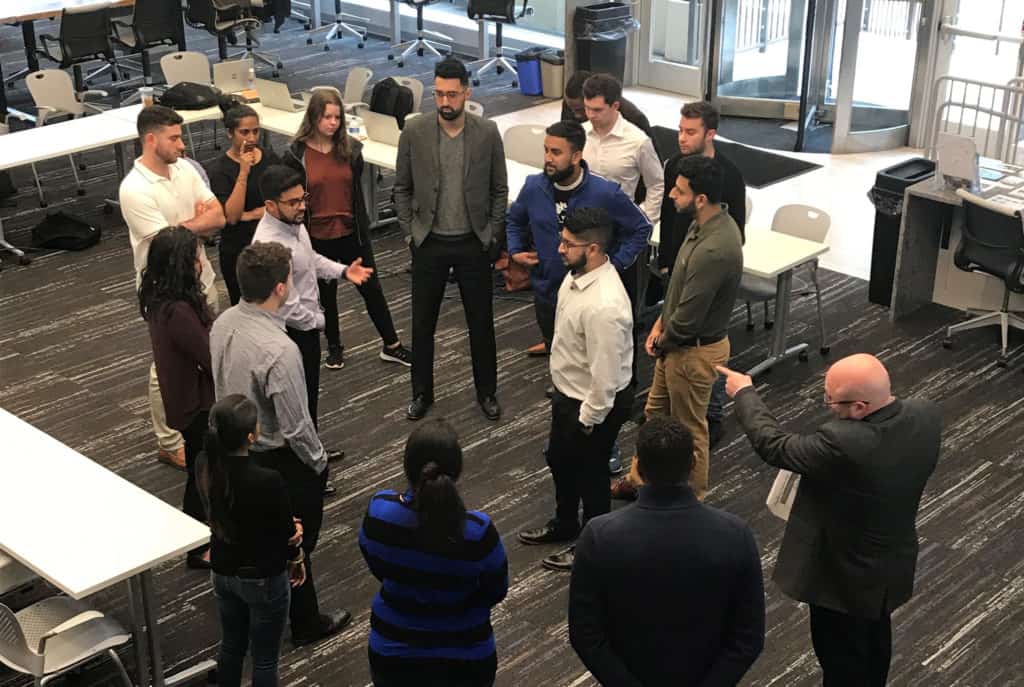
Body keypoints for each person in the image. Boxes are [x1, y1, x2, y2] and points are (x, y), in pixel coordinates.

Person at [718, 354, 941, 687]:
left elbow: (774, 446)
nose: (828, 406)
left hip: (843, 577)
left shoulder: (845, 442)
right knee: (875, 640)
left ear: (861, 407)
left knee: (841, 659)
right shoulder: (925, 414)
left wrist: (744, 393)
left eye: (832, 401)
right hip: (890, 562)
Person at [210, 241, 352, 647]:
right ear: (280, 288)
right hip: (277, 461)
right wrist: (319, 462)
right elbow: (296, 427)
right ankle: (305, 622)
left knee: (252, 537)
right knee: (296, 543)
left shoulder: (222, 323)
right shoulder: (281, 350)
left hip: (233, 451)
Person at [569, 415, 765, 686]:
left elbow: (585, 633)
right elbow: (749, 636)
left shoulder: (598, 535)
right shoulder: (736, 534)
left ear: (636, 465)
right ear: (694, 462)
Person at [613, 156, 742, 503]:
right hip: (676, 345)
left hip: (692, 352)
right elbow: (678, 290)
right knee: (654, 417)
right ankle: (637, 480)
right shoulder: (702, 224)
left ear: (700, 199)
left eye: (679, 191)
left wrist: (660, 339)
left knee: (689, 431)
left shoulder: (715, 248)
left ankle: (694, 500)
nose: (671, 194)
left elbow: (689, 318)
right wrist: (659, 325)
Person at [517, 208, 634, 572]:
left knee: (592, 476)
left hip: (592, 404)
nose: (560, 249)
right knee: (561, 461)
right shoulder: (577, 275)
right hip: (568, 394)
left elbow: (606, 377)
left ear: (595, 249)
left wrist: (587, 420)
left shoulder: (605, 307)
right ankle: (565, 522)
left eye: (569, 244)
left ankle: (592, 544)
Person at [394, 56, 508, 423]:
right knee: (422, 324)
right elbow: (401, 188)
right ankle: (421, 393)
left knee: (481, 323)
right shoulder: (414, 131)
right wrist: (410, 233)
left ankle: (487, 392)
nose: (445, 102)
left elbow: (499, 189)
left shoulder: (487, 132)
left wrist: (491, 232)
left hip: (473, 242)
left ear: (466, 93)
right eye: (439, 94)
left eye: (452, 95)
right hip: (429, 242)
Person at [359, 418, 509, 687]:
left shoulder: (379, 512)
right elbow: (496, 590)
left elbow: (376, 564)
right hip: (467, 656)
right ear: (457, 471)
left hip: (393, 653)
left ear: (408, 466)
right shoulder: (478, 532)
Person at [120, 105, 225, 471]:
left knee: (205, 352)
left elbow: (220, 216)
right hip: (166, 292)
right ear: (151, 140)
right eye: (174, 138)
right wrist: (196, 222)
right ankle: (168, 441)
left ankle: (204, 418)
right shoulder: (133, 189)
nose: (182, 145)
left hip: (201, 280)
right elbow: (170, 241)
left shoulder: (185, 169)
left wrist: (183, 227)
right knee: (164, 367)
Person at [251, 164, 373, 474]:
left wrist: (343, 271)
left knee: (307, 401)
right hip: (291, 334)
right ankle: (306, 468)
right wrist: (320, 323)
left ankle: (311, 451)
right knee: (294, 406)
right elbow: (287, 309)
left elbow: (311, 260)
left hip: (304, 328)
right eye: (293, 202)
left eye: (302, 198)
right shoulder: (270, 245)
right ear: (270, 206)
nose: (302, 206)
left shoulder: (295, 224)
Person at [283, 88, 411, 371]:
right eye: (327, 117)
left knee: (371, 288)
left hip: (352, 231)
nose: (333, 123)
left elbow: (355, 190)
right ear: (314, 117)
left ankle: (392, 344)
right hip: (316, 234)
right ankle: (335, 345)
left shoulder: (351, 150)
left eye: (337, 117)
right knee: (325, 295)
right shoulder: (296, 155)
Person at [507, 120, 650, 358]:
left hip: (591, 294)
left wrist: (614, 264)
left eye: (556, 152)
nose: (548, 158)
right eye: (546, 150)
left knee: (595, 357)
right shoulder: (533, 187)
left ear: (576, 156)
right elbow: (515, 220)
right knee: (557, 349)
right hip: (548, 289)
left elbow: (641, 229)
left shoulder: (605, 193)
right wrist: (515, 250)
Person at [198, 394, 304, 687]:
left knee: (231, 646)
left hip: (221, 571)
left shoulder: (205, 466)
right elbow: (287, 532)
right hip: (262, 578)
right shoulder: (267, 480)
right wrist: (296, 551)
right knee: (265, 658)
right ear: (251, 436)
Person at [659, 101, 747, 447]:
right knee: (677, 336)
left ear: (710, 133)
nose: (681, 137)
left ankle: (711, 413)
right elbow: (669, 217)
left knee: (702, 340)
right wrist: (666, 259)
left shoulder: (730, 175)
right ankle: (671, 402)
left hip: (708, 268)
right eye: (680, 129)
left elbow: (736, 229)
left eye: (690, 131)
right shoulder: (676, 166)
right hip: (678, 264)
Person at [139, 226, 215, 569]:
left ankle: (201, 541)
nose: (202, 263)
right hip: (195, 404)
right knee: (202, 474)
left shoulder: (160, 300)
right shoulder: (179, 312)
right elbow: (209, 356)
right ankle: (198, 548)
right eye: (196, 257)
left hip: (183, 399)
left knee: (203, 470)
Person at [207, 105, 281, 306]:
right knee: (246, 308)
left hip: (271, 243)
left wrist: (253, 213)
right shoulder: (220, 170)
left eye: (256, 131)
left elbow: (289, 198)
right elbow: (232, 216)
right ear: (230, 133)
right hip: (239, 248)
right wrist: (243, 172)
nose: (251, 138)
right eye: (244, 132)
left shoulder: (270, 158)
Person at [580, 73, 664, 225]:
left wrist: (644, 221)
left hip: (619, 224)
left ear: (615, 106)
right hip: (581, 222)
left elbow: (656, 184)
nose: (591, 115)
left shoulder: (638, 141)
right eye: (587, 108)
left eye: (598, 110)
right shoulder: (580, 134)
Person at [562, 70, 652, 138]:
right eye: (571, 109)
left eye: (581, 110)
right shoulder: (572, 103)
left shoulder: (634, 118)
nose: (576, 116)